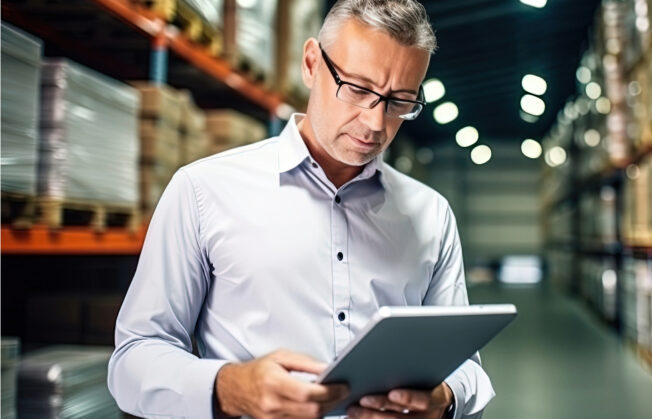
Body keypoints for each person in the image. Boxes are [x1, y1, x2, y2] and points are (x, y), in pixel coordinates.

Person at [108, 0, 495, 418]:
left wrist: (443, 400)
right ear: (311, 64)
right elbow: (134, 358)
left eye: (400, 101)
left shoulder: (430, 216)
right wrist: (229, 388)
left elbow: (466, 370)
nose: (375, 123)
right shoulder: (203, 191)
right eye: (359, 89)